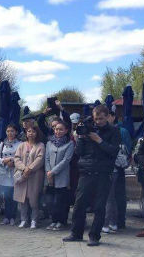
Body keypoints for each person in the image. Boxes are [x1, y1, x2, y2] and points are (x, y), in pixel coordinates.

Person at [63, 105, 121, 246]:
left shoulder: (114, 131)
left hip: (103, 173)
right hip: (86, 172)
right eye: (96, 119)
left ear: (107, 116)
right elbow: (79, 152)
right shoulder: (88, 129)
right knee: (79, 205)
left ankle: (94, 236)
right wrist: (81, 138)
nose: (98, 121)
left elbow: (113, 151)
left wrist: (99, 140)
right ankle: (76, 233)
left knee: (99, 207)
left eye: (101, 118)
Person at [104, 110, 133, 233]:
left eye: (107, 116)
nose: (104, 119)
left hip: (118, 167)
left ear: (113, 117)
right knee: (111, 196)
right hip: (106, 168)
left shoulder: (122, 131)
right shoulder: (101, 131)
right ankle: (114, 221)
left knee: (118, 195)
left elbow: (128, 149)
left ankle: (118, 221)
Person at [14, 122, 45, 229]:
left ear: (37, 133)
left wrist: (30, 168)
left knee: (34, 199)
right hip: (22, 175)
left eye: (33, 131)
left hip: (35, 176)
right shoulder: (21, 145)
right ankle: (23, 220)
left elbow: (40, 159)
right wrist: (24, 168)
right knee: (22, 199)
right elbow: (16, 158)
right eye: (29, 131)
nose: (31, 133)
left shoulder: (41, 145)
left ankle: (34, 220)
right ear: (26, 133)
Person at [44, 121, 75, 231]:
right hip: (49, 177)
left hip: (61, 176)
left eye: (61, 129)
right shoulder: (49, 143)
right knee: (49, 201)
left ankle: (60, 221)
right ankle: (53, 220)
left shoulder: (70, 143)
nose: (58, 131)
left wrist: (53, 172)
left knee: (59, 201)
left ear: (66, 131)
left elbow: (66, 160)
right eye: (56, 129)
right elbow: (46, 158)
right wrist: (48, 172)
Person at [0, 124, 22, 226]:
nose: (10, 133)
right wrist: (4, 161)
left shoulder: (20, 144)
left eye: (12, 131)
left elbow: (22, 157)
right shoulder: (2, 144)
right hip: (4, 173)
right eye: (8, 131)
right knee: (6, 196)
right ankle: (6, 217)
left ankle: (13, 217)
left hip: (15, 172)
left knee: (14, 196)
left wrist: (13, 161)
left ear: (16, 132)